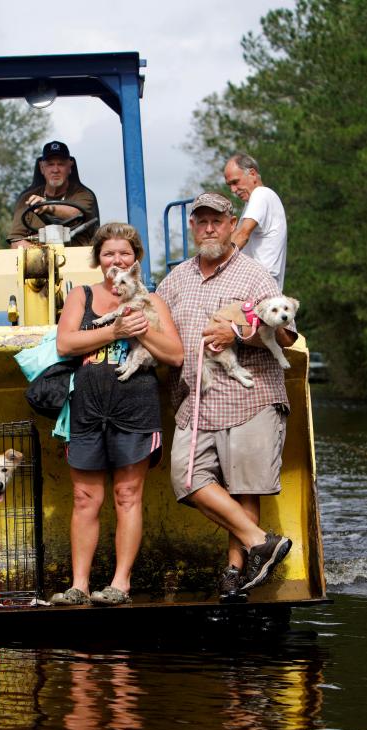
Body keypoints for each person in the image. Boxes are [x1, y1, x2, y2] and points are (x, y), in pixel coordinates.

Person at [156, 192, 296, 602]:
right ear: (192, 227)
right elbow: (154, 322)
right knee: (187, 478)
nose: (209, 228)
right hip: (196, 399)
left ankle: (234, 577)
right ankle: (260, 541)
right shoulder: (176, 278)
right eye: (201, 221)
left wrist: (236, 333)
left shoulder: (255, 275)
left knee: (244, 486)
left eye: (216, 220)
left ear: (232, 223)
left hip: (249, 396)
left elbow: (284, 335)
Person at [49, 223, 183, 606]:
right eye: (108, 254)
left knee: (127, 494)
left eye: (124, 253)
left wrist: (139, 332)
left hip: (135, 407)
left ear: (135, 260)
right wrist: (114, 331)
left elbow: (174, 355)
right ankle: (79, 585)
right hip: (88, 409)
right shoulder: (81, 295)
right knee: (84, 497)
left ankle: (120, 585)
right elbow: (65, 343)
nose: (116, 260)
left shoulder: (152, 301)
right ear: (98, 260)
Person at [8, 141, 101, 248]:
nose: (55, 170)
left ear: (70, 167)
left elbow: (77, 213)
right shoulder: (27, 199)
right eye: (50, 164)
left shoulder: (83, 195)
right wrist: (40, 253)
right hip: (36, 261)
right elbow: (15, 241)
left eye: (61, 164)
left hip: (78, 258)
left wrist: (48, 207)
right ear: (42, 168)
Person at [223, 153, 287, 289]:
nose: (233, 190)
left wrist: (213, 264)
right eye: (229, 185)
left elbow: (242, 235)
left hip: (259, 288)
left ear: (252, 173)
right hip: (260, 286)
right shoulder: (256, 200)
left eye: (235, 182)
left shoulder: (261, 194)